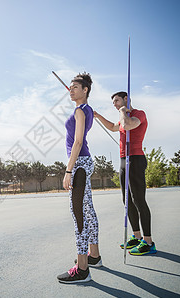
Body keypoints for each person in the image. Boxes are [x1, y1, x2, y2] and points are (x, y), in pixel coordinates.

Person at [94, 91, 156, 256]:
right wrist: (98, 115)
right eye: (113, 102)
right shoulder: (122, 118)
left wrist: (123, 111)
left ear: (126, 99)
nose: (114, 104)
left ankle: (148, 242)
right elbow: (114, 127)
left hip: (135, 159)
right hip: (123, 160)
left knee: (138, 200)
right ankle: (136, 237)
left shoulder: (138, 114)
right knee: (126, 200)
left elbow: (127, 125)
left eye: (117, 101)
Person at [57, 73, 102, 284]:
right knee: (88, 212)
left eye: (75, 87)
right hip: (85, 163)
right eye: (70, 87)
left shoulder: (80, 110)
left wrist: (68, 170)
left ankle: (82, 269)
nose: (71, 89)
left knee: (80, 216)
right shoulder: (88, 110)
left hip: (80, 165)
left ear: (85, 90)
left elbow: (77, 142)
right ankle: (94, 256)